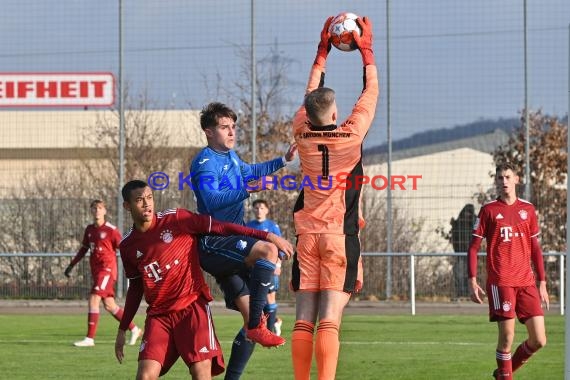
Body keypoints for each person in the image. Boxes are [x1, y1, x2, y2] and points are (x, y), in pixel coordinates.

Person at [114, 180, 294, 380]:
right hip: (159, 316)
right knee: (145, 376)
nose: (147, 204)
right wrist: (123, 329)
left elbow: (224, 228)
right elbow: (136, 288)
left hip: (192, 309)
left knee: (201, 374)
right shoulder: (128, 246)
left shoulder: (176, 219)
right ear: (127, 206)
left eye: (149, 198)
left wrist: (268, 236)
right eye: (139, 200)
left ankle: (256, 323)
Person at [289, 16, 378, 380]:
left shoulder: (300, 133)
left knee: (303, 317)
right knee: (330, 318)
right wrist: (366, 52)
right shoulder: (353, 135)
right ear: (337, 114)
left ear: (308, 114)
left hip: (307, 234)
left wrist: (321, 53)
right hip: (338, 236)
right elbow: (370, 94)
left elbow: (310, 96)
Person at [190, 101, 297, 379]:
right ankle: (257, 326)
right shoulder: (205, 163)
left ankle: (237, 368)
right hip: (215, 242)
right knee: (267, 249)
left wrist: (283, 161)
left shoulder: (231, 158)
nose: (231, 132)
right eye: (224, 127)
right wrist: (247, 189)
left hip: (232, 243)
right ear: (208, 132)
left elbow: (251, 172)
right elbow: (212, 201)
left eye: (233, 126)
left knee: (253, 318)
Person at [467, 162, 549, 380]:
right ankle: (506, 376)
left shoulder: (528, 210)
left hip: (526, 282)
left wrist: (542, 281)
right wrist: (472, 280)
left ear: (516, 179)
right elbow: (474, 248)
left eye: (507, 177)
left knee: (539, 339)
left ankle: (504, 373)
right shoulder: (488, 211)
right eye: (500, 178)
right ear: (496, 181)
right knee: (507, 339)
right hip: (501, 282)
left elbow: (535, 249)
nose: (503, 181)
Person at [65, 199, 142, 347]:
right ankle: (134, 329)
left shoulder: (111, 230)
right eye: (94, 208)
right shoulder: (89, 230)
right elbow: (83, 249)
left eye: (100, 208)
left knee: (94, 299)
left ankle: (89, 338)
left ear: (105, 211)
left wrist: (136, 264)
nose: (97, 211)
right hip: (97, 271)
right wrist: (71, 265)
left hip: (107, 270)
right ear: (91, 211)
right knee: (110, 305)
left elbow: (125, 248)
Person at [246, 199, 283, 336]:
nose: (259, 210)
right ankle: (274, 322)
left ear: (267, 210)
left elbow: (281, 247)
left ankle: (270, 332)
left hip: (270, 268)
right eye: (256, 208)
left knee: (269, 299)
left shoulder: (272, 226)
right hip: (254, 268)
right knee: (258, 300)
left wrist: (278, 264)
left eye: (261, 208)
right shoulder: (249, 225)